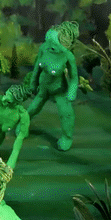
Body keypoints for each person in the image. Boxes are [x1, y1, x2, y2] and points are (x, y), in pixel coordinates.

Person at [26, 22, 79, 151]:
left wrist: (72, 92)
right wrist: (33, 83)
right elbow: (37, 68)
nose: (50, 46)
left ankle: (66, 138)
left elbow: (74, 78)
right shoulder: (44, 49)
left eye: (54, 44)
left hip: (59, 89)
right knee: (33, 108)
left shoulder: (68, 56)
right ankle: (23, 125)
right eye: (49, 42)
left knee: (66, 113)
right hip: (43, 87)